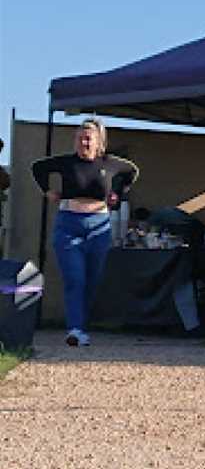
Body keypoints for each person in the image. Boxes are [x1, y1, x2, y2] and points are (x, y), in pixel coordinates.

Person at [31, 118, 138, 346]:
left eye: (88, 138)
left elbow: (132, 172)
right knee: (75, 279)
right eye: (80, 138)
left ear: (99, 141)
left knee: (92, 280)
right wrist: (47, 191)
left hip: (99, 225)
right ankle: (75, 329)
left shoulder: (109, 163)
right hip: (68, 224)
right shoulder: (67, 162)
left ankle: (82, 325)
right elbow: (38, 168)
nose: (83, 142)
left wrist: (117, 193)